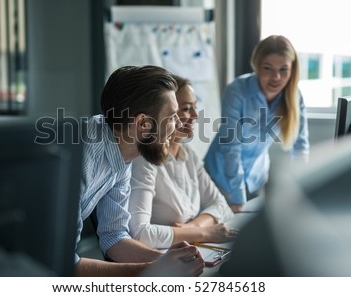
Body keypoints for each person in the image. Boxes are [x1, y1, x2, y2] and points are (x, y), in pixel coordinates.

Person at [75, 65, 205, 277]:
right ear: (143, 123)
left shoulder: (123, 152)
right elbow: (66, 264)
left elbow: (114, 236)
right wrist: (155, 269)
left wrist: (166, 261)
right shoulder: (83, 158)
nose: (179, 123)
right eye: (172, 116)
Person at [128, 74, 237, 249]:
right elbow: (140, 235)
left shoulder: (188, 155)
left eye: (195, 107)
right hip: (158, 256)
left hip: (190, 247)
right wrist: (205, 232)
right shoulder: (145, 160)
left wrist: (192, 228)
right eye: (186, 108)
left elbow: (220, 204)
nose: (195, 115)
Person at [204, 35, 309, 213]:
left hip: (256, 178)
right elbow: (232, 146)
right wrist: (237, 197)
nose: (276, 77)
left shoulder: (294, 96)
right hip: (220, 178)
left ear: (292, 70)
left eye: (284, 70)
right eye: (268, 68)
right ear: (257, 66)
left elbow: (300, 146)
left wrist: (304, 189)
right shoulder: (237, 91)